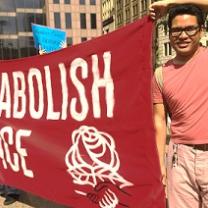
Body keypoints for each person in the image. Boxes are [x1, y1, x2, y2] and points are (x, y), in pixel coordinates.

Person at [149, 0, 208, 207]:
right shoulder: (161, 74)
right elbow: (159, 122)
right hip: (178, 159)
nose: (183, 35)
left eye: (190, 29)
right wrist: (160, 166)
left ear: (201, 31)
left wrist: (172, 3)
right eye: (176, 30)